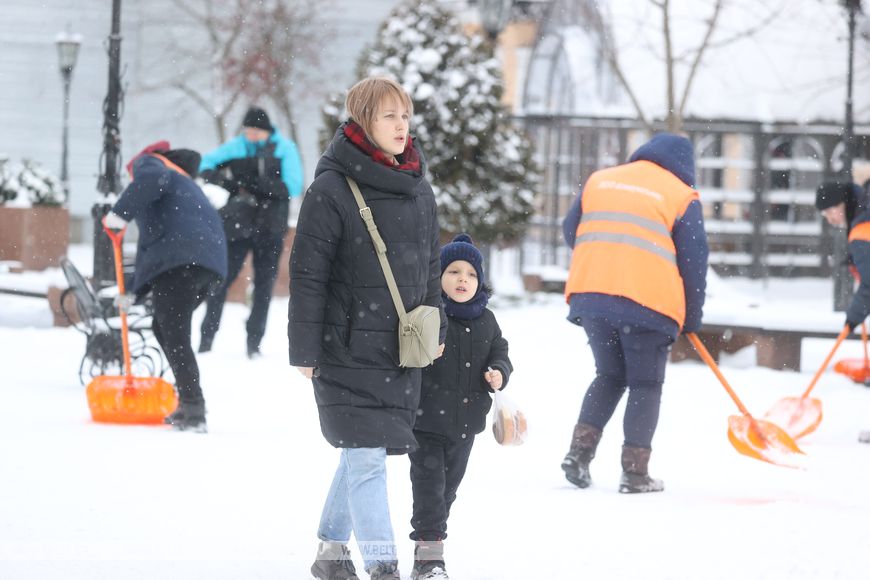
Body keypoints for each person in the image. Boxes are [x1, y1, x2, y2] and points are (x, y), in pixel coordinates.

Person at [288, 77, 444, 580]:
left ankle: (331, 554)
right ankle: (383, 566)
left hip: (400, 347)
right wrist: (305, 349)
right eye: (388, 117)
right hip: (345, 345)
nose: (401, 127)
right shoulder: (332, 188)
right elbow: (308, 272)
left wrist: (433, 325)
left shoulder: (418, 187)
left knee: (365, 453)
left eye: (405, 116)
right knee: (367, 457)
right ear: (362, 122)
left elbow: (431, 267)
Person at [560, 133, 708, 493]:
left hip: (592, 294)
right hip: (649, 305)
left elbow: (570, 230)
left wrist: (608, 256)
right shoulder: (681, 195)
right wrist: (692, 316)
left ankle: (578, 454)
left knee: (609, 375)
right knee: (645, 384)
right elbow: (694, 261)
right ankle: (635, 472)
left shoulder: (602, 180)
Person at [103, 142, 227, 432]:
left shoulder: (151, 165)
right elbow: (152, 249)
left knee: (174, 333)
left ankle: (194, 409)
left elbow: (148, 181)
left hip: (182, 262)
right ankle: (189, 401)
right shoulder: (183, 191)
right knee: (166, 329)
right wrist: (132, 291)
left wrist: (119, 213)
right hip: (207, 265)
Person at [408, 234, 512, 580]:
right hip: (425, 423)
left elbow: (500, 351)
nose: (462, 279)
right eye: (453, 271)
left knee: (447, 490)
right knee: (429, 489)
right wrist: (424, 355)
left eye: (470, 273)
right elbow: (405, 355)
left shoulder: (488, 321)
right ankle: (429, 559)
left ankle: (430, 543)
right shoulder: (428, 316)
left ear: (480, 281)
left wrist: (499, 372)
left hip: (466, 425)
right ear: (439, 277)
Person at [198, 106, 303, 358]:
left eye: (256, 132)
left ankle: (254, 342)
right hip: (238, 225)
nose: (251, 136)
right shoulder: (237, 146)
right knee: (221, 280)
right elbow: (204, 165)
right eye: (248, 131)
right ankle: (206, 338)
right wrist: (227, 183)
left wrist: (257, 185)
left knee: (264, 285)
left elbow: (292, 186)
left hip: (270, 226)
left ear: (267, 131)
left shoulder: (285, 148)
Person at [814, 180, 870, 445]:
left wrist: (854, 315)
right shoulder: (864, 211)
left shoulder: (861, 229)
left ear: (840, 205)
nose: (829, 220)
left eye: (828, 213)